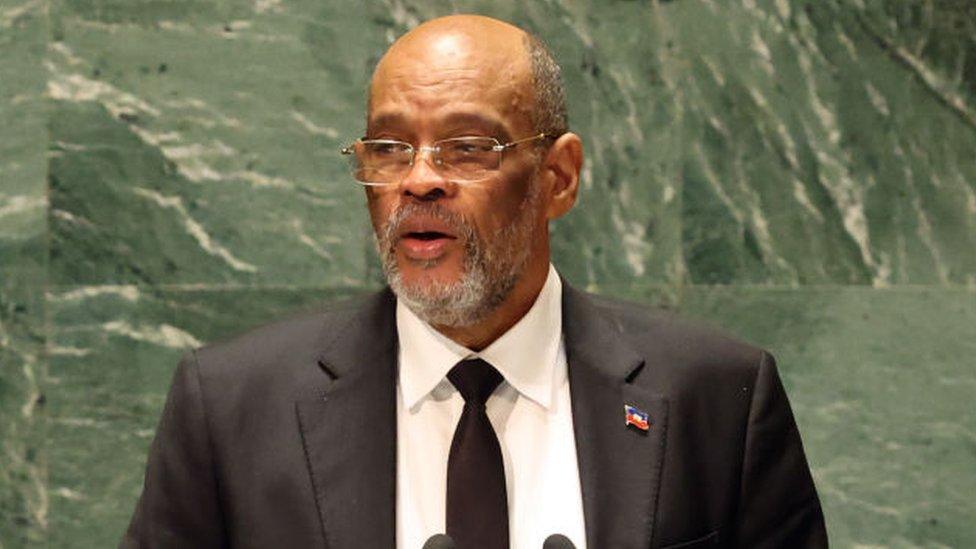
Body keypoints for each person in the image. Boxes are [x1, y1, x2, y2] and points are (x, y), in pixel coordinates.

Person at [122, 14, 827, 549]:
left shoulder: (717, 396)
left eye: (467, 147)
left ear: (557, 178)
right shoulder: (232, 407)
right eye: (390, 148)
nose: (420, 179)